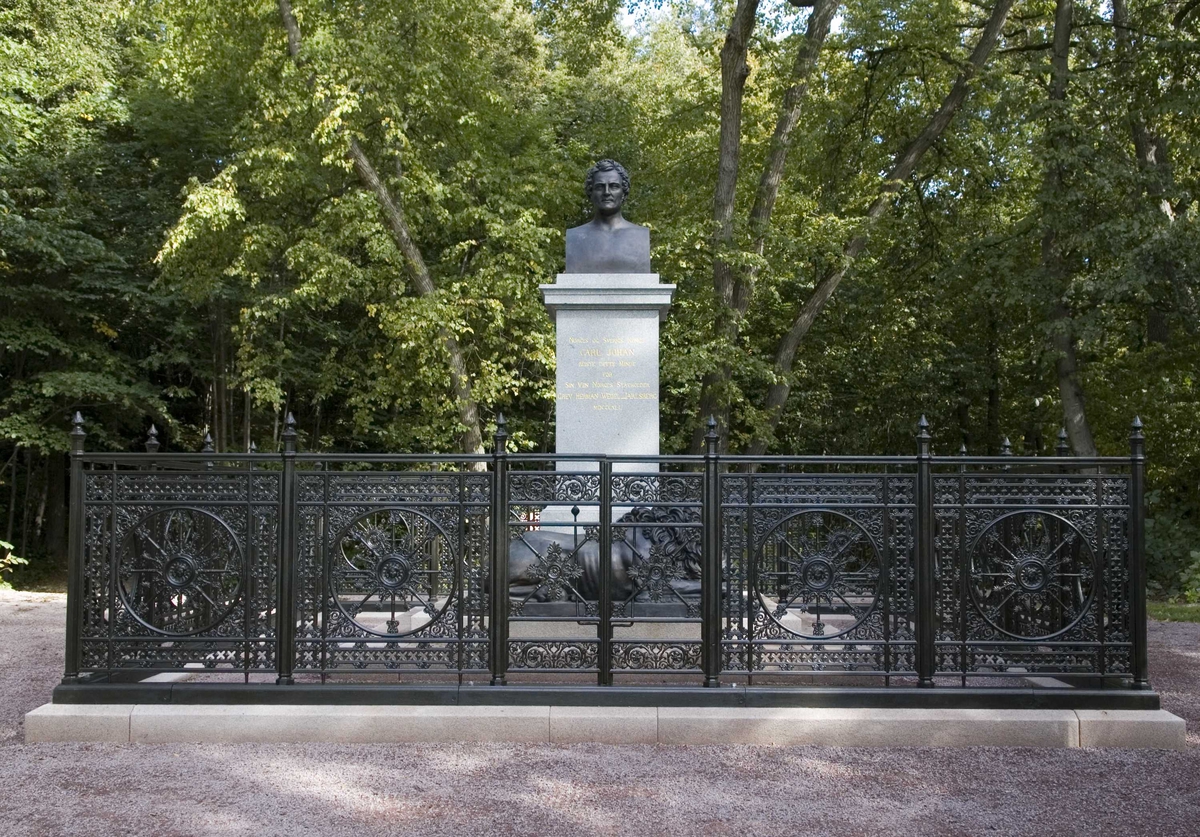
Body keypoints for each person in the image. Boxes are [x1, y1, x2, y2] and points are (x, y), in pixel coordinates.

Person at [565, 159, 651, 273]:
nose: (606, 192)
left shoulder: (640, 236)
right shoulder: (576, 236)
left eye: (614, 186)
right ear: (591, 192)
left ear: (623, 192)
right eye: (600, 187)